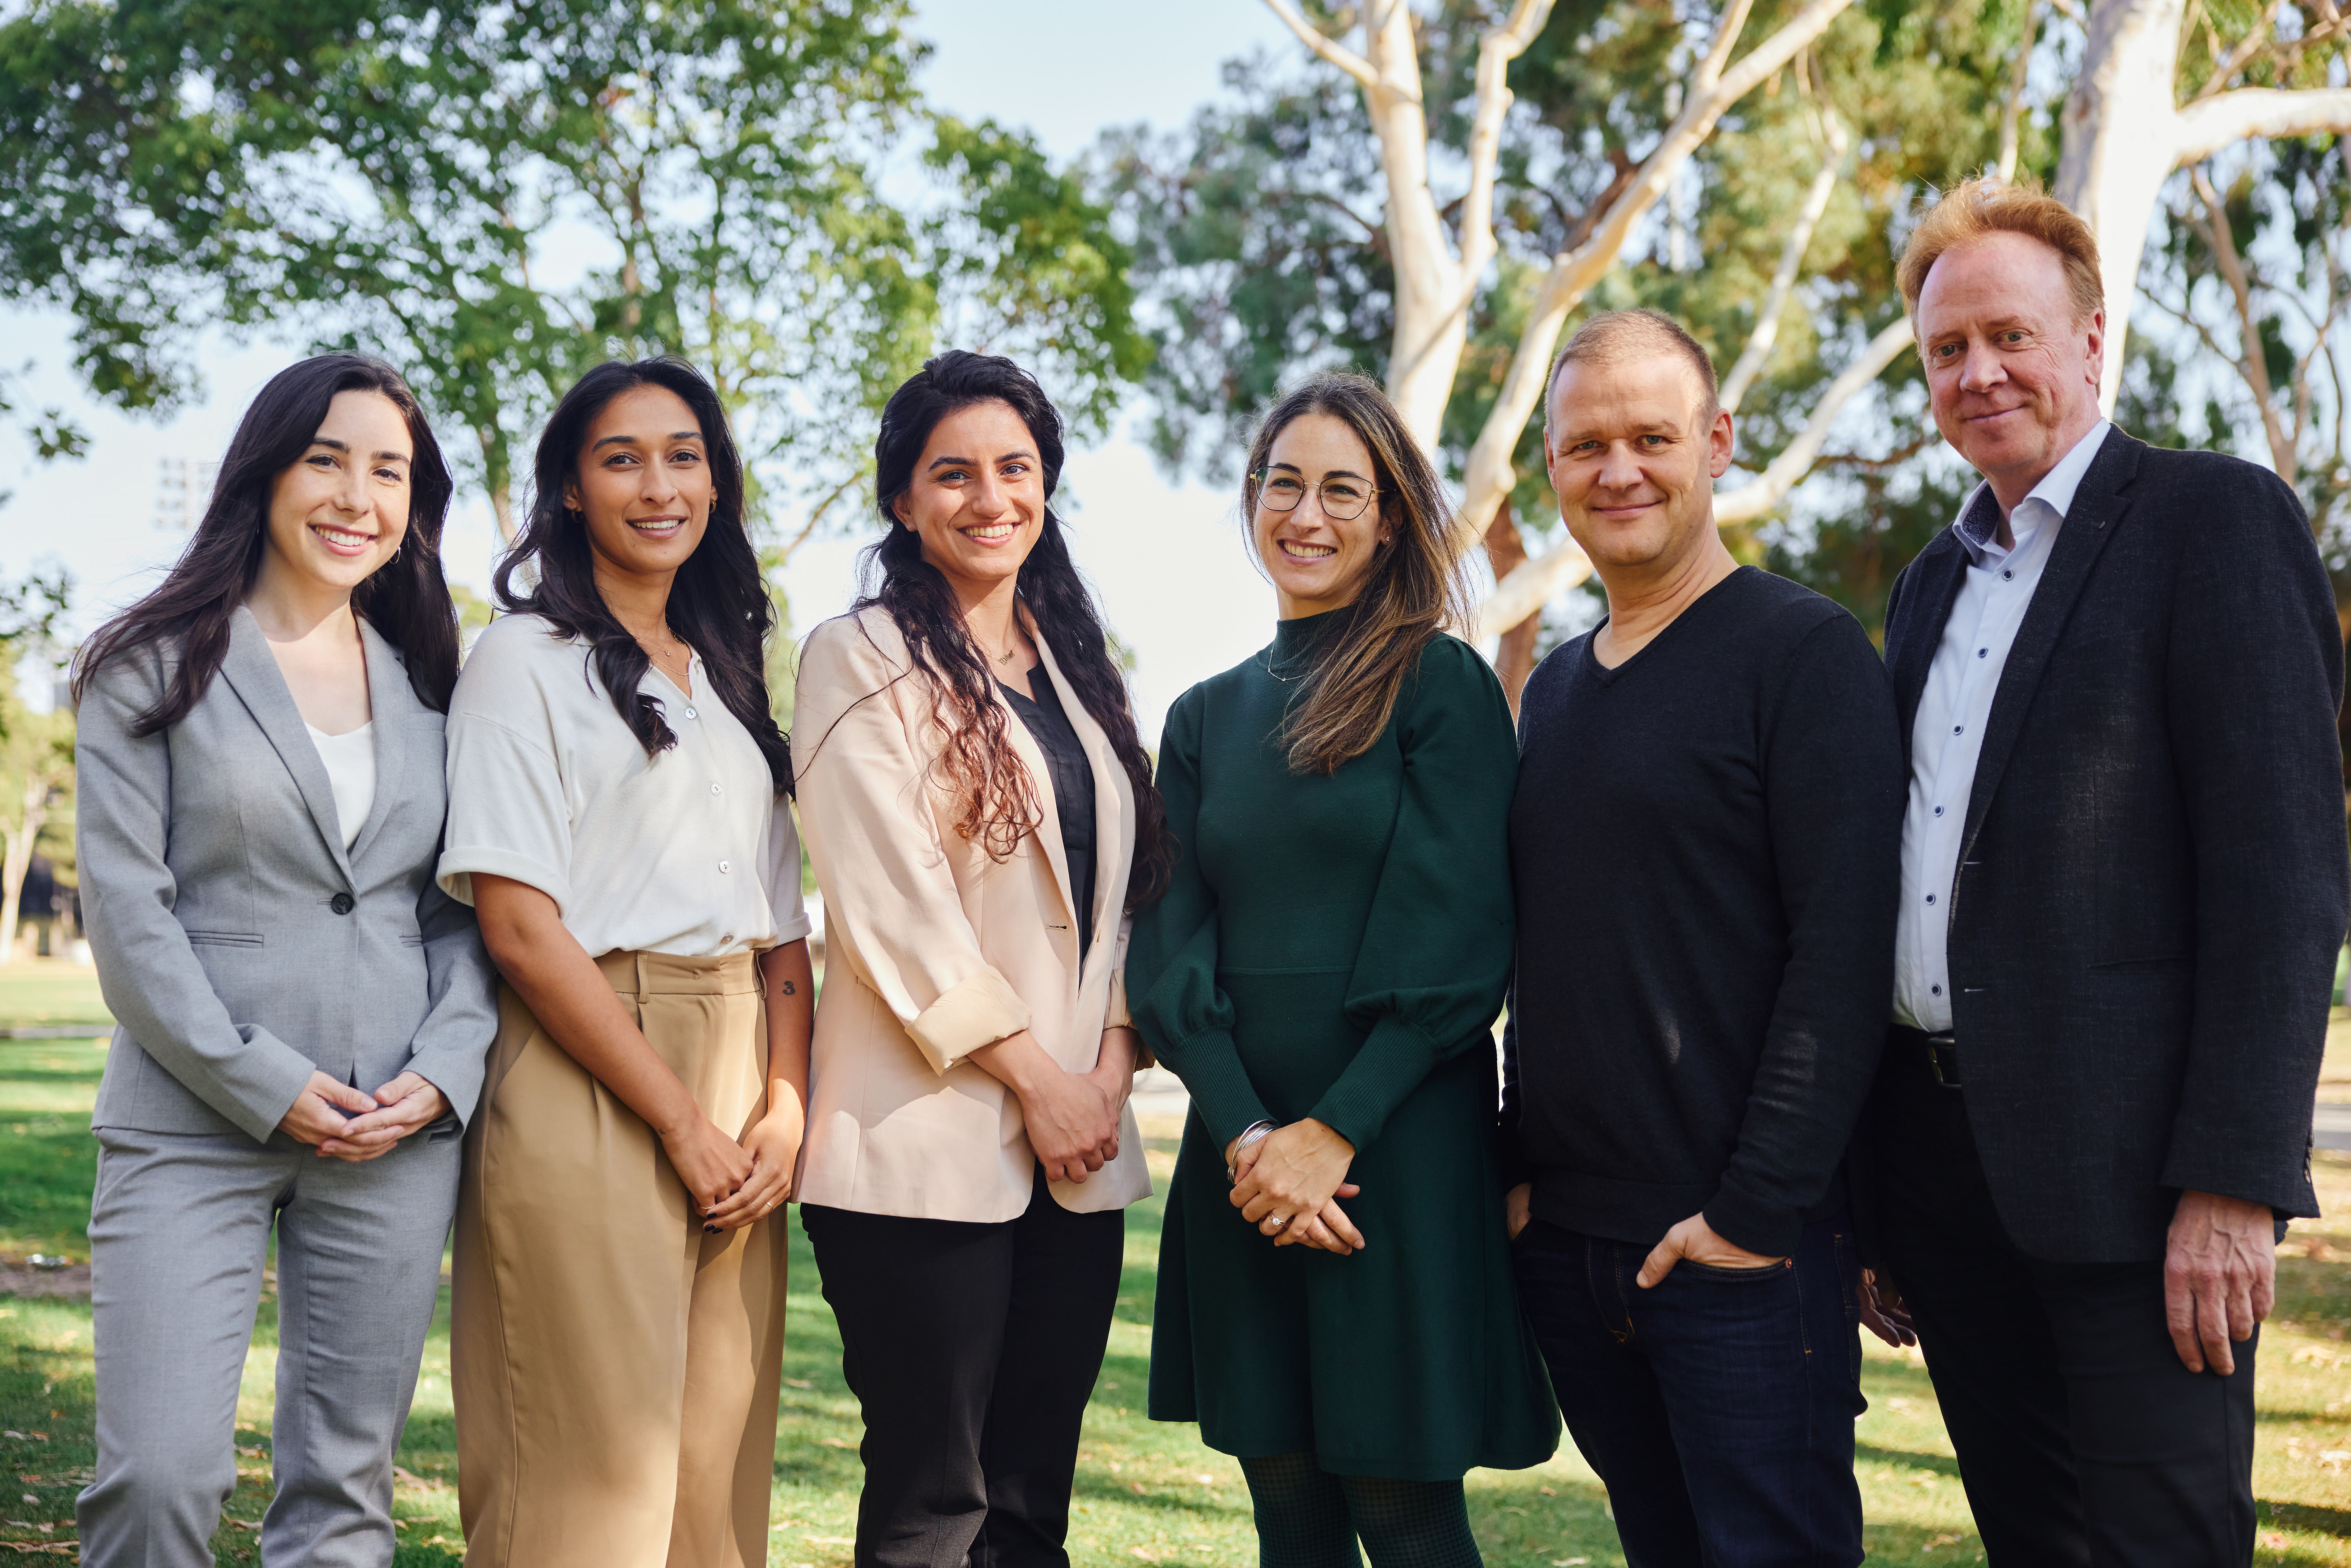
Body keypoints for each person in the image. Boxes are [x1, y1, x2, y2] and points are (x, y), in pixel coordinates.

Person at [1859, 178, 2348, 1567]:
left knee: (2162, 1547)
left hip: (2142, 1191)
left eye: (2007, 335)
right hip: (1941, 1180)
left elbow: (2281, 880)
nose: (1978, 373)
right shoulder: (1925, 588)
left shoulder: (2213, 524)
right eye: (1945, 350)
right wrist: (1871, 1193)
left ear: (2089, 341)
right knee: (2033, 1544)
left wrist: (2231, 1183)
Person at [70, 354, 498, 1567]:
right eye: (328, 459)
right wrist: (262, 1080)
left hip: (393, 1131)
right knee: (161, 1477)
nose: (359, 496)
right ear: (265, 469)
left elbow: (458, 911)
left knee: (344, 1495)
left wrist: (447, 1069)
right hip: (190, 1123)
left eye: (391, 471)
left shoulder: (433, 685)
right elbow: (128, 918)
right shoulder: (146, 665)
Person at [1126, 370, 1556, 1568]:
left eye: (1340, 490)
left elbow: (1460, 937)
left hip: (1394, 1156)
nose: (1304, 515)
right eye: (1282, 484)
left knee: (1399, 1508)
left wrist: (1333, 1134)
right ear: (1251, 499)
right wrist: (1249, 1135)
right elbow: (1167, 943)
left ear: (1387, 520)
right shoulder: (1203, 717)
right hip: (1244, 1160)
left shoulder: (1439, 683)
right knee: (1288, 1509)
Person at [1500, 310, 1903, 1568]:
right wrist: (1519, 1180)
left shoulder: (1803, 654)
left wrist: (1754, 1213)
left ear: (1717, 442)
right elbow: (1545, 958)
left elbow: (1842, 954)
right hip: (1570, 1248)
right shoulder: (1555, 690)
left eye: (1651, 438)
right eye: (1585, 446)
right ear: (1550, 468)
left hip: (1741, 1254)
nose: (1618, 470)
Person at [790, 349, 1166, 1568]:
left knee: (1027, 1509)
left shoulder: (1073, 667)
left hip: (1081, 1149)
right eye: (951, 474)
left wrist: (1108, 1068)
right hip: (923, 1139)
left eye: (1015, 468)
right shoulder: (856, 657)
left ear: (1046, 485)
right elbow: (892, 908)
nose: (988, 497)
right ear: (903, 499)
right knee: (931, 1503)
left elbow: (1128, 892)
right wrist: (1038, 1081)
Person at [437, 357, 815, 1568]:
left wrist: (782, 1107)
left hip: (741, 1067)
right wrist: (681, 1123)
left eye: (683, 454)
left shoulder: (730, 668)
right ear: (566, 493)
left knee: (713, 1477)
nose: (658, 485)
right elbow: (518, 926)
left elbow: (782, 925)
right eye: (621, 458)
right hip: (588, 1060)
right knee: (589, 1481)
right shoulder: (521, 661)